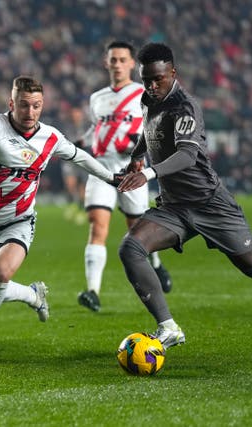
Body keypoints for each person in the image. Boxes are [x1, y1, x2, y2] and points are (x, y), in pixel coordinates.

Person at [117, 43, 252, 349]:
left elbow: (187, 155)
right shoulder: (149, 99)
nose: (151, 85)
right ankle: (169, 327)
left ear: (173, 73)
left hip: (211, 204)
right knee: (131, 248)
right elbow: (150, 133)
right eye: (146, 79)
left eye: (158, 78)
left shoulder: (186, 107)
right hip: (175, 207)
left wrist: (147, 173)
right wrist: (136, 156)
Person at [0, 76, 122, 361]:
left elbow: (81, 157)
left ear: (43, 105)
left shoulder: (50, 137)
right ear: (11, 103)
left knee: (1, 276)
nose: (30, 113)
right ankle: (32, 295)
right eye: (24, 105)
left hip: (19, 220)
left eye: (36, 106)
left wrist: (112, 177)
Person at [76, 40, 172, 314]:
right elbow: (95, 130)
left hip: (133, 171)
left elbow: (157, 128)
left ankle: (156, 264)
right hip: (102, 169)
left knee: (137, 233)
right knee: (98, 226)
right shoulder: (97, 98)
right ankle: (92, 291)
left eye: (122, 60)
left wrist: (140, 143)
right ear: (106, 63)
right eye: (113, 60)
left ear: (132, 64)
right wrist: (77, 143)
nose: (117, 64)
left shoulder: (144, 93)